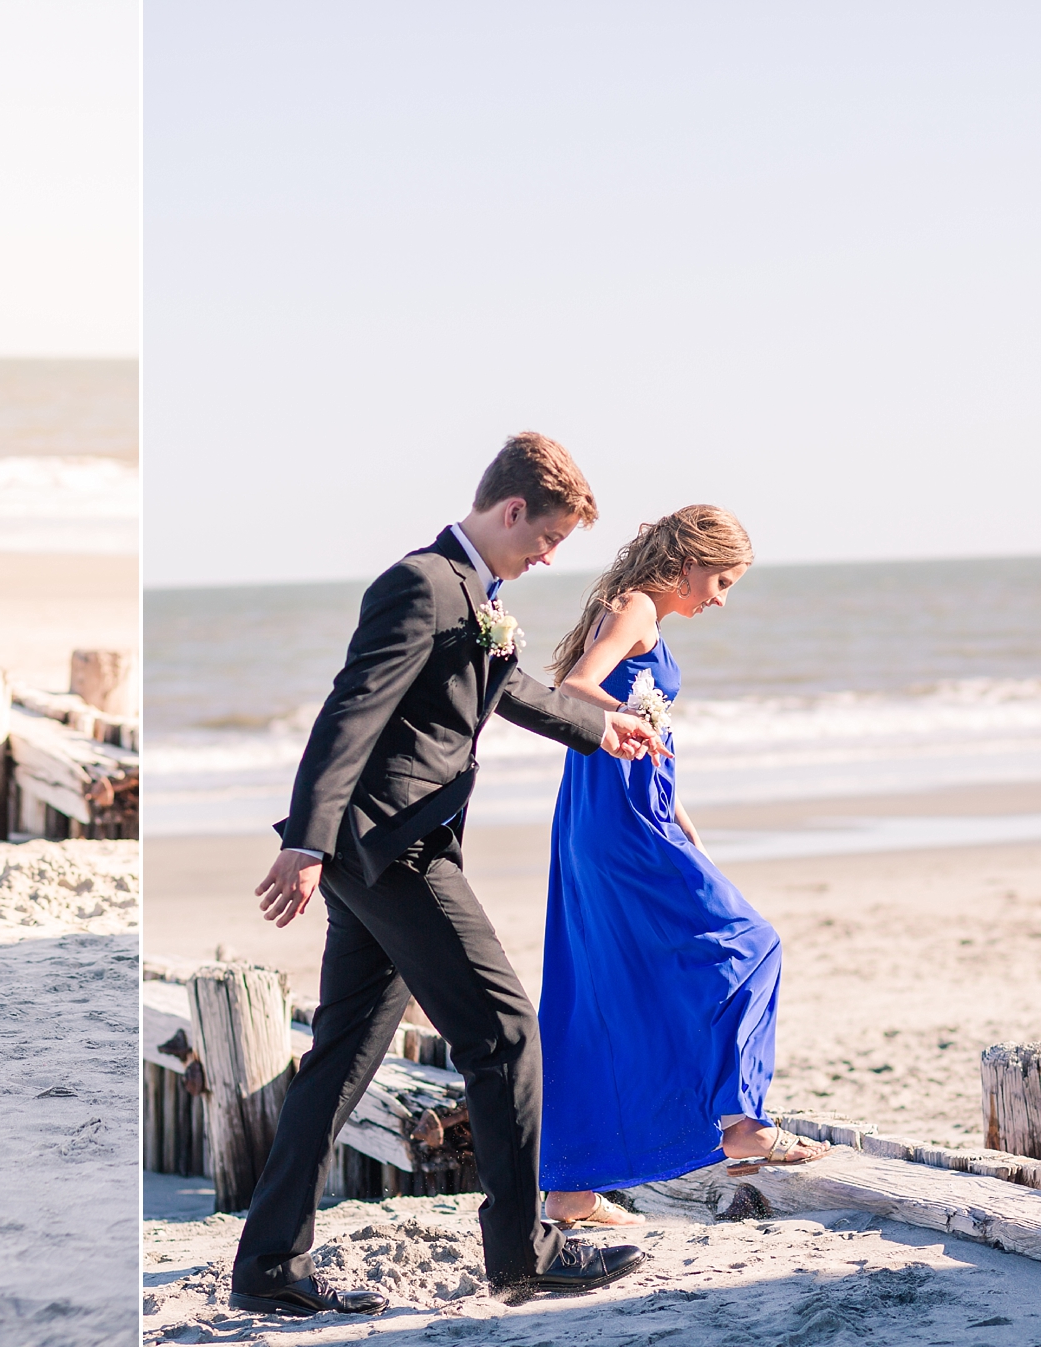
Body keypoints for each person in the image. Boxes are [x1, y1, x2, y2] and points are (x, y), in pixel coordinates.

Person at [230, 433, 663, 1316]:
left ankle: (269, 1266)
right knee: (506, 1034)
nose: (549, 558)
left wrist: (599, 727)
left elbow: (503, 687)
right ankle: (524, 1252)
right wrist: (306, 841)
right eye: (548, 540)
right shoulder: (421, 583)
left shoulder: (475, 591)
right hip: (394, 850)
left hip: (381, 850)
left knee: (342, 1060)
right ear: (512, 511)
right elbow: (349, 709)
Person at [537, 505, 828, 1229]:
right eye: (721, 580)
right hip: (617, 817)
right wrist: (635, 734)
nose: (721, 598)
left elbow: (632, 718)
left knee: (607, 987)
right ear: (690, 561)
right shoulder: (636, 607)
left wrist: (675, 804)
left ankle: (570, 1191)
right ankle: (743, 1127)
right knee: (752, 942)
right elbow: (573, 690)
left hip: (627, 810)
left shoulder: (638, 613)